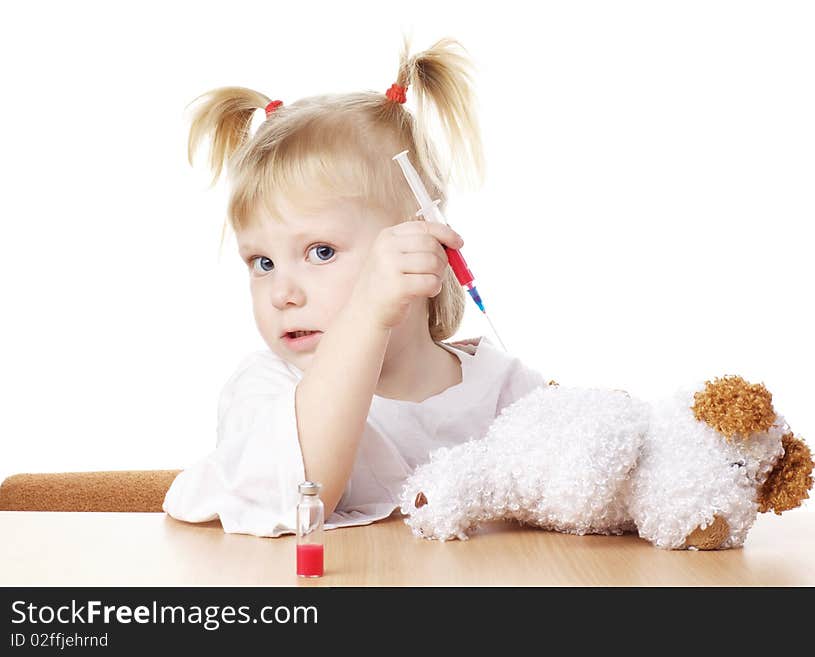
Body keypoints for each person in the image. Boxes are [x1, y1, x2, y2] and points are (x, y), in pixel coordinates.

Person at [162, 36, 547, 537]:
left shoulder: (504, 389)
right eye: (262, 262)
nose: (282, 293)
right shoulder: (269, 391)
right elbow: (308, 491)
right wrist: (365, 312)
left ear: (420, 241)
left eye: (320, 252)